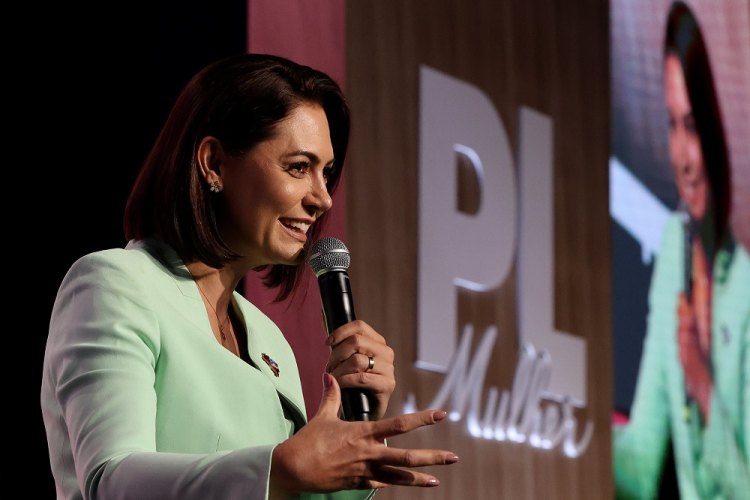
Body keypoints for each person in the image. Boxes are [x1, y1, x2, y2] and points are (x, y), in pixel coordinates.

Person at [40, 53, 459, 500]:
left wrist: (355, 431)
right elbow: (110, 480)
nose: (323, 198)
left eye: (327, 173)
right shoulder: (114, 285)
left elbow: (285, 489)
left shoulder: (268, 340)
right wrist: (279, 469)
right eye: (299, 167)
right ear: (214, 163)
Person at [612, 2, 750, 499]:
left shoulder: (746, 287)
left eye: (692, 126)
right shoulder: (675, 244)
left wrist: (702, 386)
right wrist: (577, 427)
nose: (682, 159)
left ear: (715, 131)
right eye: (671, 125)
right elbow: (641, 460)